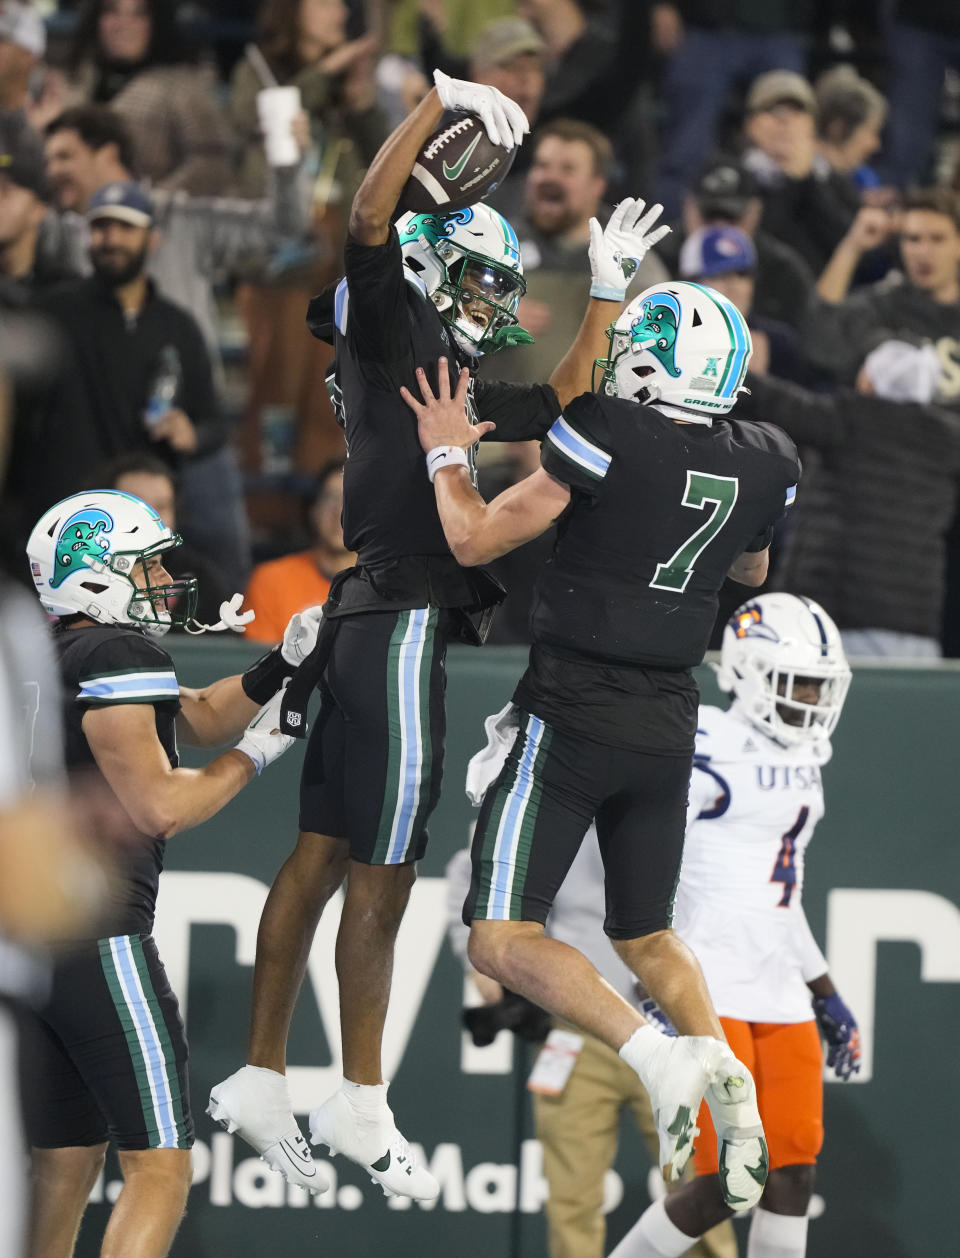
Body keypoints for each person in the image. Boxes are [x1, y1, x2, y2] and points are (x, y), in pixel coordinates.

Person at [207, 67, 670, 1202]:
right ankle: (361, 1096)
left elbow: (565, 398)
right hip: (403, 611)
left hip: (375, 608)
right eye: (478, 275)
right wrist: (434, 101)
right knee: (386, 866)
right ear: (430, 269)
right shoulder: (391, 310)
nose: (489, 297)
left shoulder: (437, 357)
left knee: (320, 853)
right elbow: (371, 217)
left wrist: (608, 290)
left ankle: (264, 1073)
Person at [400, 277, 802, 1213]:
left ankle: (659, 1057)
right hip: (669, 719)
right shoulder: (770, 456)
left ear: (656, 362)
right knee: (647, 934)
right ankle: (727, 1089)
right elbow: (752, 567)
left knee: (499, 937)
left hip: (574, 707)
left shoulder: (609, 429)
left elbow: (473, 539)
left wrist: (446, 455)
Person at [18, 486, 307, 1258]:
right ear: (94, 574)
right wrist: (256, 757)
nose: (159, 581)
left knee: (64, 1162)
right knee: (160, 1167)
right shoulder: (117, 654)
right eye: (142, 566)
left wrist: (285, 662)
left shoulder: (50, 655)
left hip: (32, 941)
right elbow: (160, 807)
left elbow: (203, 712)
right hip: (100, 937)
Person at [610, 593, 861, 1258]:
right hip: (707, 984)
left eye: (818, 684)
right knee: (731, 1180)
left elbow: (780, 894)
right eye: (796, 682)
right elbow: (628, 876)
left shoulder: (807, 760)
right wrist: (647, 990)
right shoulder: (702, 744)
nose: (810, 699)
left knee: (793, 1175)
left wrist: (824, 987)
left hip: (779, 989)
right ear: (747, 674)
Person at [447, 762, 737, 1258]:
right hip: (580, 1035)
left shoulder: (677, 818)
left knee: (701, 1186)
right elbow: (470, 870)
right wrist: (475, 953)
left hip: (671, 1031)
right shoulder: (555, 811)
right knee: (572, 1196)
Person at [30, 180, 243, 583]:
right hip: (68, 526)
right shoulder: (54, 313)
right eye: (101, 227)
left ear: (153, 238)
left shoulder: (178, 327)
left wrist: (191, 434)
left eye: (126, 228)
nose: (111, 239)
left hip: (146, 529)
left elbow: (214, 421)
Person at [734, 341, 960, 659]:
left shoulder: (851, 418)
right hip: (916, 628)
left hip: (834, 625)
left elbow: (779, 402)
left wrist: (731, 365)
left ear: (869, 381)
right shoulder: (949, 440)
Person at [64, 0, 233, 195]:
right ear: (96, 19)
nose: (123, 24)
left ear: (158, 22)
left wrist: (147, 204)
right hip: (81, 215)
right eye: (112, 11)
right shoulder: (76, 84)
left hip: (158, 218)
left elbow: (212, 162)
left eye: (139, 14)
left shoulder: (183, 87)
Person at [739, 70, 859, 275]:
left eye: (797, 112)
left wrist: (808, 180)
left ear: (813, 125)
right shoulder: (733, 178)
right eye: (773, 111)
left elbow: (851, 246)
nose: (785, 121)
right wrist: (794, 181)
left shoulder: (834, 181)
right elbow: (757, 248)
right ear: (750, 125)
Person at [101, 450, 235, 630]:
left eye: (161, 507)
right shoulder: (77, 571)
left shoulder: (205, 581)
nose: (149, 518)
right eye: (135, 504)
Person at [243, 459, 355, 645]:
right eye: (331, 499)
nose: (340, 512)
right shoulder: (271, 581)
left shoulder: (387, 587)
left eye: (352, 500)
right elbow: (259, 668)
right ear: (314, 511)